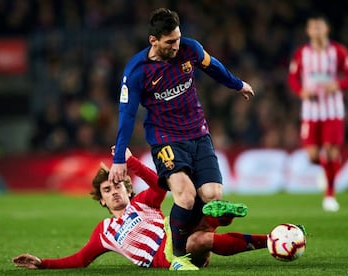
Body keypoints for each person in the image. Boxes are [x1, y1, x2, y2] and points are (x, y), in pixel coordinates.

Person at [108, 8, 255, 269]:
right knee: (185, 196)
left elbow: (214, 67)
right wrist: (119, 159)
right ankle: (178, 255)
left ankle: (191, 228)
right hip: (165, 139)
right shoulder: (136, 72)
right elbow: (126, 116)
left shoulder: (190, 49)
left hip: (198, 133)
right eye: (170, 42)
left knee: (212, 194)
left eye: (178, 38)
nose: (176, 45)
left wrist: (236, 84)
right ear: (153, 41)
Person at [12, 149, 269, 270]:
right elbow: (80, 260)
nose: (114, 193)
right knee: (200, 238)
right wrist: (43, 263)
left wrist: (132, 162)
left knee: (194, 207)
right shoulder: (104, 232)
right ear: (101, 200)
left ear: (128, 189)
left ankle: (221, 217)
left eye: (117, 187)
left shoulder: (142, 202)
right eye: (107, 191)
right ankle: (251, 234)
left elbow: (160, 187)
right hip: (165, 256)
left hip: (176, 232)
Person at [287, 13, 348, 212]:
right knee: (312, 156)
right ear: (308, 31)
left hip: (333, 111)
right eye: (313, 28)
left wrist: (338, 84)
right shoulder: (302, 53)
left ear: (326, 29)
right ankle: (329, 168)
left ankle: (330, 196)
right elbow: (293, 78)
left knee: (329, 150)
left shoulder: (338, 51)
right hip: (310, 112)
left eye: (320, 27)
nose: (316, 31)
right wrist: (301, 91)